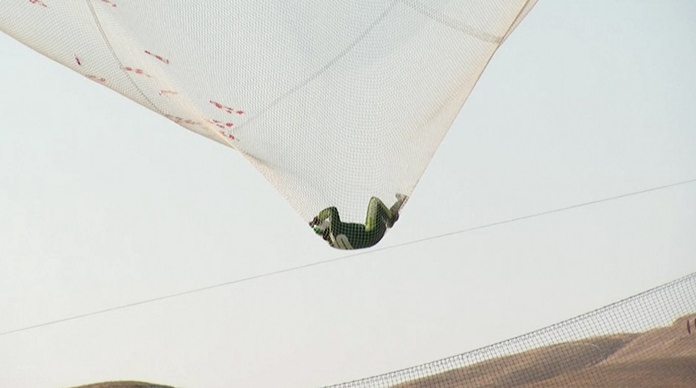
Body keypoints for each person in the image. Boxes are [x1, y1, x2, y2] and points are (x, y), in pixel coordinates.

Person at [309, 194, 408, 250]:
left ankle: (399, 202)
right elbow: (332, 210)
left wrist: (317, 225)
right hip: (371, 232)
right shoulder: (334, 230)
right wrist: (320, 216)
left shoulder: (333, 244)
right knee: (375, 202)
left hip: (374, 240)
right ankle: (390, 219)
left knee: (382, 213)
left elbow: (320, 230)